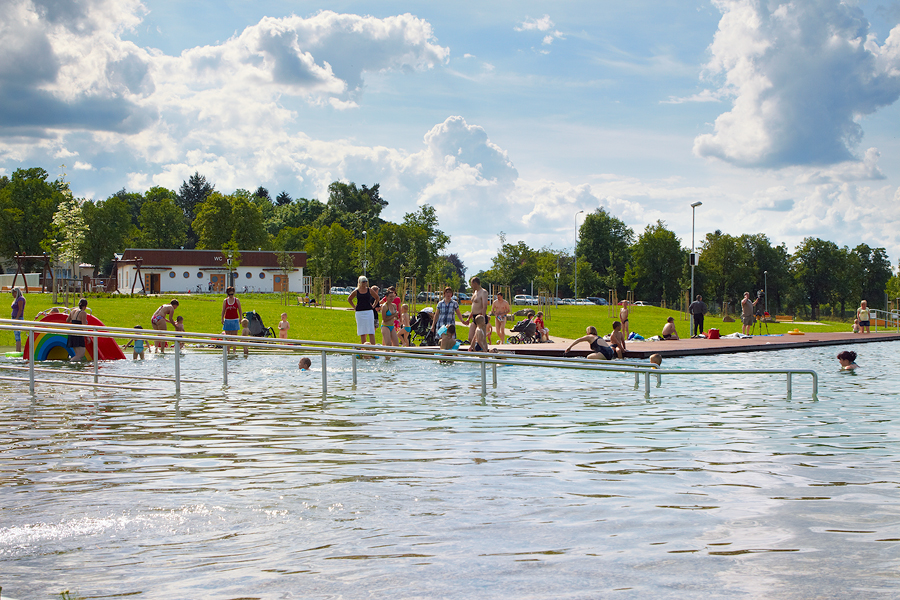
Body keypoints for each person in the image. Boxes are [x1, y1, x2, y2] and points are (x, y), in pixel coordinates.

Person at [348, 276, 379, 344]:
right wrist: (354, 307)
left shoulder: (369, 290)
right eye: (363, 281)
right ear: (359, 282)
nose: (364, 283)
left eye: (365, 281)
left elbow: (377, 297)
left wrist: (373, 305)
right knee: (362, 330)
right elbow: (349, 299)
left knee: (371, 330)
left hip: (369, 311)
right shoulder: (356, 291)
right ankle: (364, 347)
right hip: (360, 312)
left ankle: (373, 348)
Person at [468, 277, 489, 348]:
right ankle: (475, 352)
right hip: (474, 317)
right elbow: (474, 306)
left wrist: (482, 318)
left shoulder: (483, 292)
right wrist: (469, 318)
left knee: (481, 339)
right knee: (470, 337)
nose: (471, 286)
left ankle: (484, 353)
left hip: (480, 317)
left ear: (475, 283)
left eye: (472, 284)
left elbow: (484, 306)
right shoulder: (475, 292)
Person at [10, 287, 25, 353]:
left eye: (13, 293)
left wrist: (17, 318)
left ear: (16, 292)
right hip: (14, 317)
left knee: (17, 333)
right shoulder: (16, 299)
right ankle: (17, 349)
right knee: (16, 334)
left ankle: (18, 350)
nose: (12, 294)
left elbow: (20, 309)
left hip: (17, 318)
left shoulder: (20, 299)